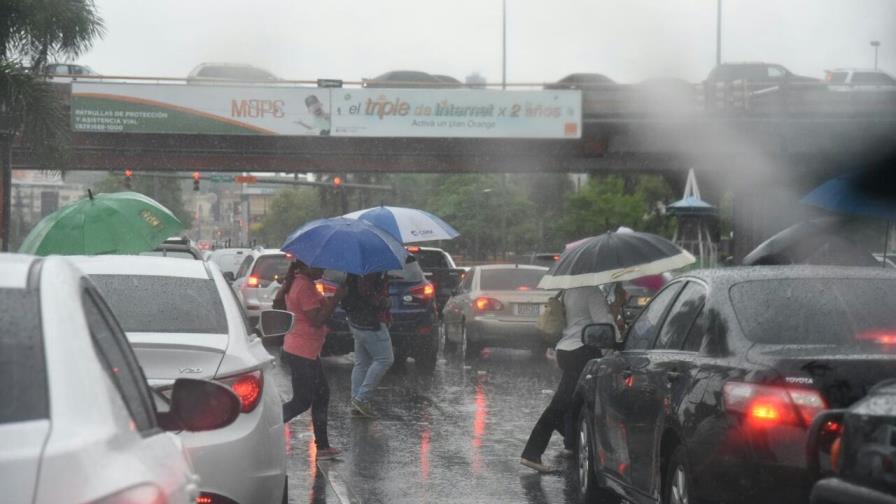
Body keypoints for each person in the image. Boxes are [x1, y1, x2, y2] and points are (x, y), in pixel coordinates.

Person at [520, 284, 614, 473]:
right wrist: (614, 349)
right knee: (561, 404)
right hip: (581, 351)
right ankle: (532, 452)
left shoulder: (570, 290)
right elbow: (604, 323)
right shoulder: (592, 291)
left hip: (566, 349)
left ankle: (572, 442)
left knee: (572, 402)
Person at [278, 260, 345, 460]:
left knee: (321, 395)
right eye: (319, 267)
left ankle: (323, 447)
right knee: (302, 401)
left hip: (306, 350)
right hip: (302, 351)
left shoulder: (301, 282)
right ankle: (266, 426)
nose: (323, 270)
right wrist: (336, 300)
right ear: (307, 266)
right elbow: (317, 319)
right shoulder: (303, 286)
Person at [342, 270, 393, 418]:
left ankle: (356, 400)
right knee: (385, 359)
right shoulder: (371, 272)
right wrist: (385, 302)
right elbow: (369, 296)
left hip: (356, 320)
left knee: (362, 363)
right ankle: (361, 398)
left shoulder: (355, 271)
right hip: (370, 322)